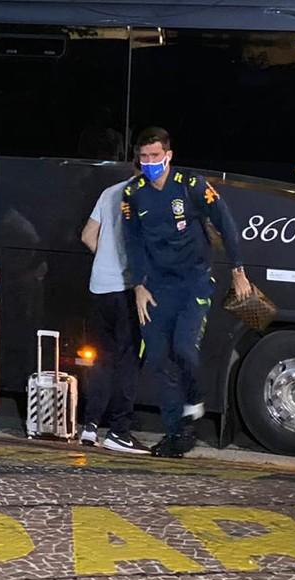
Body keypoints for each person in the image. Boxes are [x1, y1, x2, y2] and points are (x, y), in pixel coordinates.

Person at [121, 127, 251, 458]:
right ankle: (177, 431)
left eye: (156, 156)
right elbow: (133, 242)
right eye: (144, 157)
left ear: (169, 155)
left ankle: (194, 399)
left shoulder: (191, 185)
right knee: (157, 356)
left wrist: (238, 271)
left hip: (193, 281)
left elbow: (226, 223)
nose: (150, 162)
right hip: (156, 287)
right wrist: (138, 285)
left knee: (184, 348)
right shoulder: (133, 193)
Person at [79, 179, 150, 453]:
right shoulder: (149, 195)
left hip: (99, 287)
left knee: (102, 359)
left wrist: (105, 257)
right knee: (129, 360)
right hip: (127, 289)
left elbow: (87, 235)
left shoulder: (108, 191)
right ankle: (119, 431)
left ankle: (90, 426)